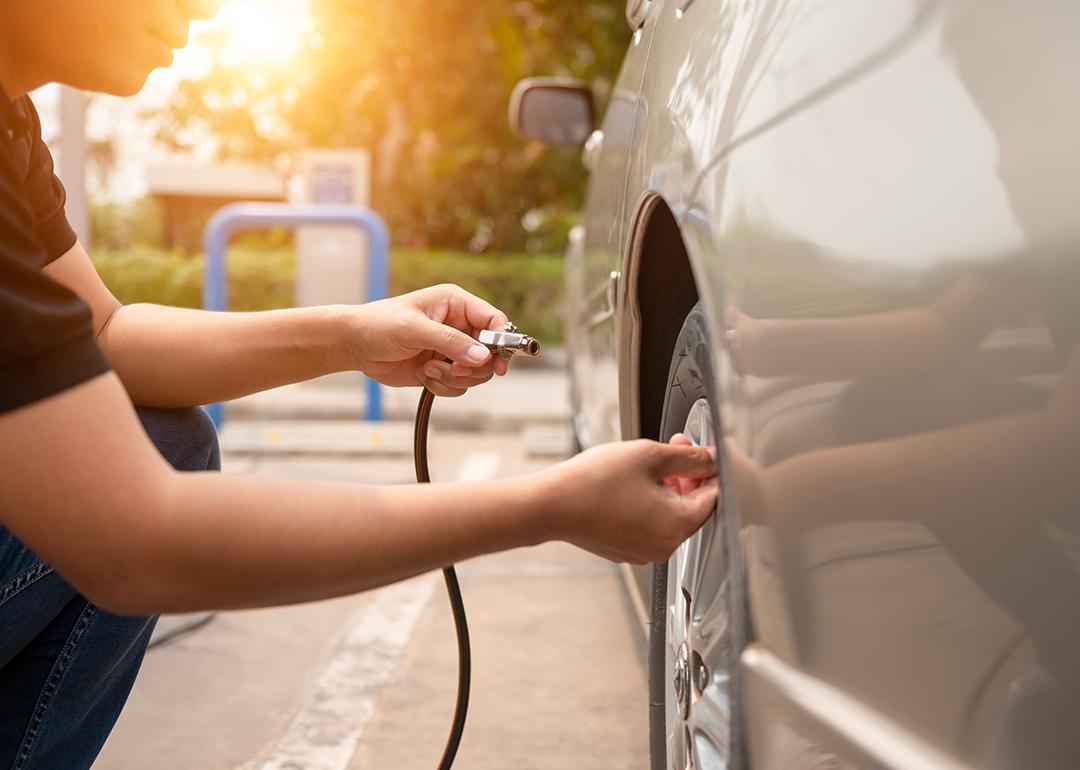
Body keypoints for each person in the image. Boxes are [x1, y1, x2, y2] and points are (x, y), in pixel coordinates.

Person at [0, 3, 719, 768]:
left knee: (169, 440)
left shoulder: (12, 129)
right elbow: (133, 540)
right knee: (161, 461)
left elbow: (104, 335)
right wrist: (550, 504)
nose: (204, 6)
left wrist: (353, 334)